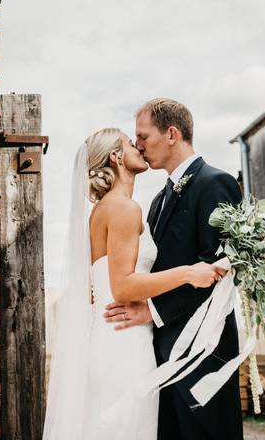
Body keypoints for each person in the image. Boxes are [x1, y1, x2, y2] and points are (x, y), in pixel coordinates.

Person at [43, 125, 225, 440]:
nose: (139, 146)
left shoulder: (103, 210)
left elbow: (96, 287)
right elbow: (123, 287)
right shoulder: (124, 208)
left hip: (109, 336)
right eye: (130, 143)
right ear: (116, 157)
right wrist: (188, 272)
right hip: (124, 344)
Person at [105, 98, 245, 440]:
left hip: (202, 353)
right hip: (158, 355)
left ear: (171, 133)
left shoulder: (215, 183)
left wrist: (151, 312)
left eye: (143, 136)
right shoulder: (156, 201)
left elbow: (218, 271)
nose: (137, 145)